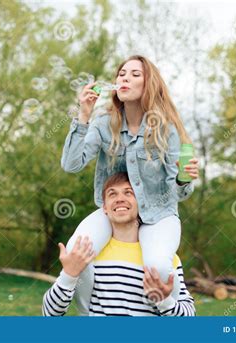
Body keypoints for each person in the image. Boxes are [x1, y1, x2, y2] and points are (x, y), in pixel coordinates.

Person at [61, 55, 199, 314]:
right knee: (74, 254)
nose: (124, 77)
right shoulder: (104, 123)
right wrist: (84, 115)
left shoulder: (165, 129)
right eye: (122, 73)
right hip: (114, 211)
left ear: (150, 84)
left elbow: (181, 191)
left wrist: (184, 177)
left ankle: (177, 319)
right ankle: (91, 318)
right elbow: (72, 164)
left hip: (159, 215)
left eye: (135, 74)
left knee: (158, 265)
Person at [43, 172, 195, 316]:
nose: (120, 198)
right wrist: (68, 275)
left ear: (141, 203)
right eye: (112, 194)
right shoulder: (89, 254)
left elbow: (190, 320)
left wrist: (164, 301)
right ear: (104, 208)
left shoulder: (163, 255)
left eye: (128, 192)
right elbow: (50, 314)